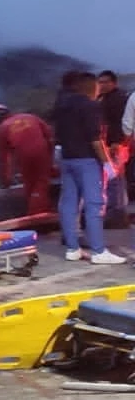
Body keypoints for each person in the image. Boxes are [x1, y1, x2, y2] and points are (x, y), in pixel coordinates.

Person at [54, 72, 124, 263]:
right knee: (94, 204)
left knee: (69, 204)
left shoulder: (61, 105)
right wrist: (107, 163)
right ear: (90, 87)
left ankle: (72, 248)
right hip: (87, 161)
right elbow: (95, 139)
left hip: (68, 159)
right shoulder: (90, 106)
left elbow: (58, 134)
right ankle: (98, 252)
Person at [0, 104, 54, 216]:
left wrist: (6, 181)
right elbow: (49, 135)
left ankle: (37, 216)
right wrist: (50, 157)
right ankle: (41, 212)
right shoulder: (30, 117)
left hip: (24, 158)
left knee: (32, 186)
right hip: (42, 152)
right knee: (40, 183)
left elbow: (4, 160)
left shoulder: (2, 129)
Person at [98, 71, 130, 228]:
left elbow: (121, 122)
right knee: (113, 179)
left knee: (115, 180)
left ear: (114, 83)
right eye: (100, 82)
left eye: (105, 82)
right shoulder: (104, 99)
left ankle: (117, 214)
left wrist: (117, 142)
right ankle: (117, 213)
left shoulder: (118, 99)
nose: (102, 85)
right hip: (108, 144)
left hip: (116, 144)